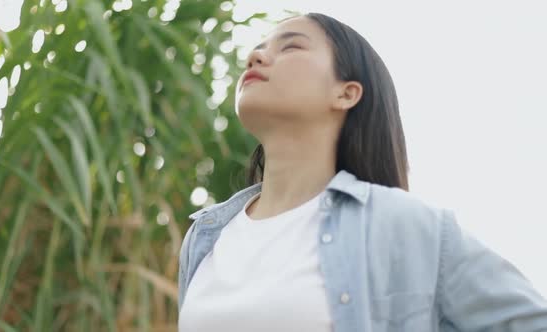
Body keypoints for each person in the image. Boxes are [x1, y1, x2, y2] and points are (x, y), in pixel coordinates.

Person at [177, 12, 547, 331]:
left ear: (346, 93)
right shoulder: (206, 236)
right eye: (259, 47)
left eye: (290, 47)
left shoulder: (406, 225)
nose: (256, 56)